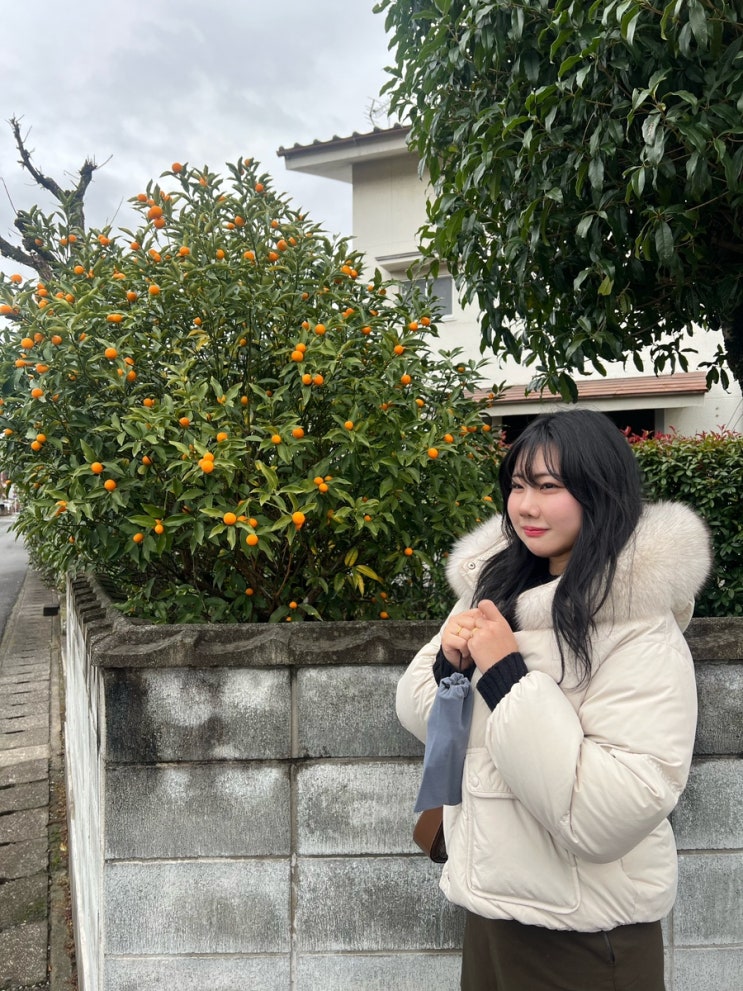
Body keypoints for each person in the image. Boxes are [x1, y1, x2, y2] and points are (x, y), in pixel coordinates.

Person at [396, 409, 712, 991]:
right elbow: (417, 710)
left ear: (600, 491)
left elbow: (609, 812)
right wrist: (452, 667)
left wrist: (506, 676)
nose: (526, 507)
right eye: (517, 486)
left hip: (586, 937)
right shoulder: (497, 587)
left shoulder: (639, 629)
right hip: (488, 909)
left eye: (548, 487)